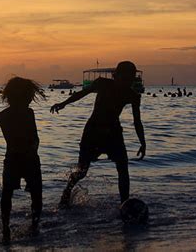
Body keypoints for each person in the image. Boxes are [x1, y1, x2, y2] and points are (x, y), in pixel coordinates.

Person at [51, 61, 146, 208]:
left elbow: (137, 121)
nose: (127, 82)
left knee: (123, 169)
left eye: (130, 79)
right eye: (124, 78)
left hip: (114, 134)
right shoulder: (102, 84)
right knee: (82, 171)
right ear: (116, 76)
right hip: (93, 132)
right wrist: (64, 103)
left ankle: (124, 204)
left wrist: (143, 142)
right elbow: (82, 93)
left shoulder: (132, 95)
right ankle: (66, 194)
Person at [0, 77, 46, 245]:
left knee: (20, 194)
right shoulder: (7, 115)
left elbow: (35, 136)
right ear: (20, 96)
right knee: (20, 194)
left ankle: (24, 227)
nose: (29, 99)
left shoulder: (23, 113)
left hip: (22, 158)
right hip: (20, 158)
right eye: (28, 96)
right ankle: (12, 227)